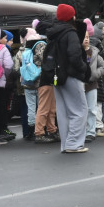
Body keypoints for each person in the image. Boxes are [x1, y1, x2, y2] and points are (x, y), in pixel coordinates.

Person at [47, 4, 90, 154]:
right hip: (71, 75)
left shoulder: (54, 32)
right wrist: (83, 67)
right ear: (71, 17)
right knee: (80, 110)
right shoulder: (70, 33)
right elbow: (74, 55)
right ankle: (74, 143)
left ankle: (65, 144)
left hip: (57, 76)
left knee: (63, 111)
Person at [33, 16, 59, 144]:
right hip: (47, 80)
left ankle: (51, 130)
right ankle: (39, 133)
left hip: (46, 80)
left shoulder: (46, 43)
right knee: (44, 108)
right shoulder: (47, 44)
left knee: (50, 108)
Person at [84, 31, 104, 141]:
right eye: (84, 37)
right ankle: (82, 131)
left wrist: (95, 74)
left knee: (92, 109)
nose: (86, 39)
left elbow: (103, 66)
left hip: (92, 84)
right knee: (81, 110)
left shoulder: (94, 52)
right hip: (79, 85)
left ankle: (91, 132)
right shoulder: (76, 52)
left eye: (88, 37)